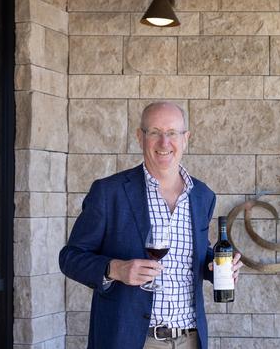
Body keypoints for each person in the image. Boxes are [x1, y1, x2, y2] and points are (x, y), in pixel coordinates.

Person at [60, 101, 242, 349]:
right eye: (155, 132)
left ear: (186, 138)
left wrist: (217, 267)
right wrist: (115, 269)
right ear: (140, 137)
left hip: (189, 339)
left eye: (172, 133)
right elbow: (70, 258)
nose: (164, 143)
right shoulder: (109, 192)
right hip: (131, 340)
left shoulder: (202, 196)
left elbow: (193, 256)